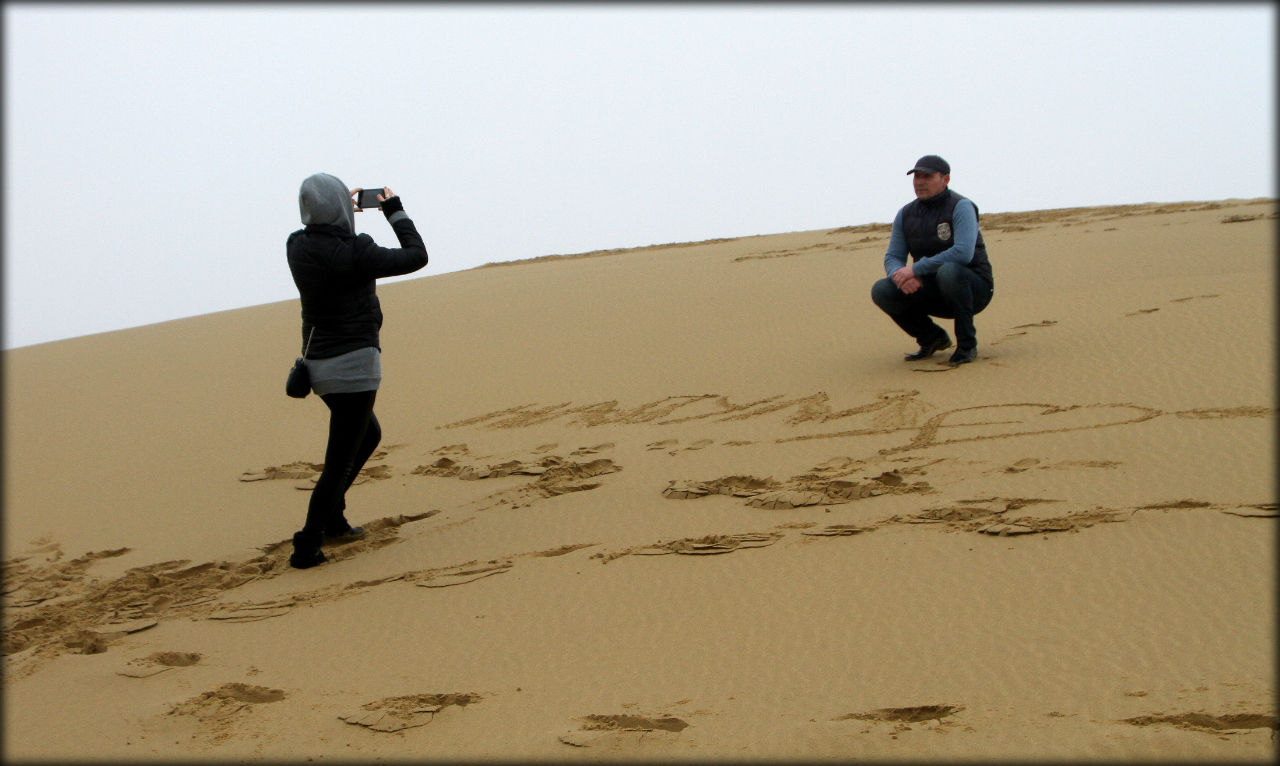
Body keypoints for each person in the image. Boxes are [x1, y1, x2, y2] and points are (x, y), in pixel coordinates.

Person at [285, 173, 428, 568]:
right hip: (354, 370)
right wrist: (393, 211)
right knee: (339, 461)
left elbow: (323, 238)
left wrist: (337, 211)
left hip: (319, 369)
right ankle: (308, 544)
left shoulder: (297, 246)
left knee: (368, 434)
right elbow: (416, 255)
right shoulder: (357, 251)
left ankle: (333, 517)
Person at [870, 155, 994, 366]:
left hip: (973, 289)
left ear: (945, 180)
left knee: (949, 271)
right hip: (933, 289)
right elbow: (893, 256)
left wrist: (915, 269)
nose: (920, 181)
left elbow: (963, 253)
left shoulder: (961, 206)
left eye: (927, 176)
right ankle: (932, 338)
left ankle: (967, 346)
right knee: (882, 289)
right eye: (917, 176)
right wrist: (899, 275)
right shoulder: (906, 214)